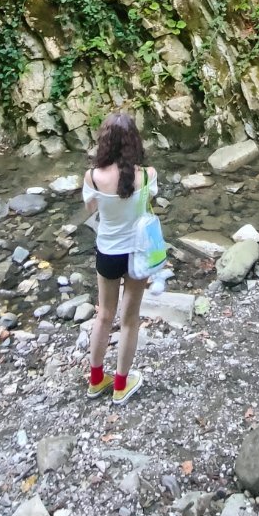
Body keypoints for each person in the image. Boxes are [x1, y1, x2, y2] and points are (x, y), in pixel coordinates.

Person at [82, 111, 157, 406]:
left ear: (105, 142)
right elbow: (147, 205)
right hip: (137, 252)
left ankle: (96, 379)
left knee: (104, 314)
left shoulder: (93, 176)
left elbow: (90, 210)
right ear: (134, 141)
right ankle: (122, 385)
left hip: (108, 253)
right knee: (129, 319)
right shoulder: (148, 175)